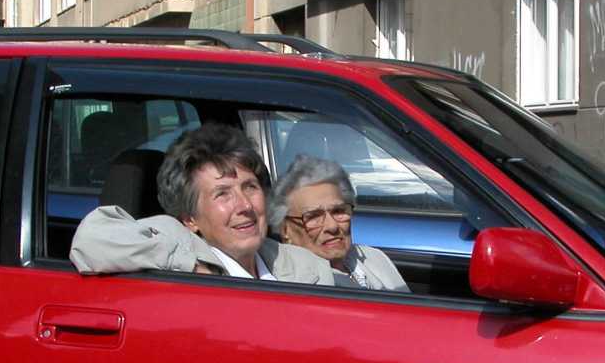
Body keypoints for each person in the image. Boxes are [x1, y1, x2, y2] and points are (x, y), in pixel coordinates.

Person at [70, 123, 333, 284]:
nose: (245, 205)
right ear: (189, 219)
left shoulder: (293, 262)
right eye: (222, 194)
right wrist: (190, 266)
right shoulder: (175, 240)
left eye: (250, 187)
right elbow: (92, 240)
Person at [268, 155, 409, 292]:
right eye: (313, 216)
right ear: (285, 230)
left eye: (338, 211)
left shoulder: (374, 258)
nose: (332, 226)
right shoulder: (295, 286)